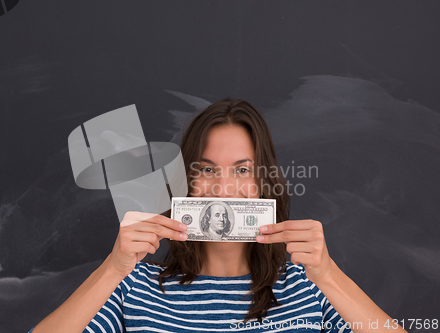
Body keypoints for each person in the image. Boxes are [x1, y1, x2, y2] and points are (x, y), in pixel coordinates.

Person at [30, 99, 405, 332]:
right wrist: (112, 269)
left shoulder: (309, 287)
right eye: (207, 170)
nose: (223, 188)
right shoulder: (134, 285)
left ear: (264, 183)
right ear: (186, 182)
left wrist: (330, 276)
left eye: (242, 170)